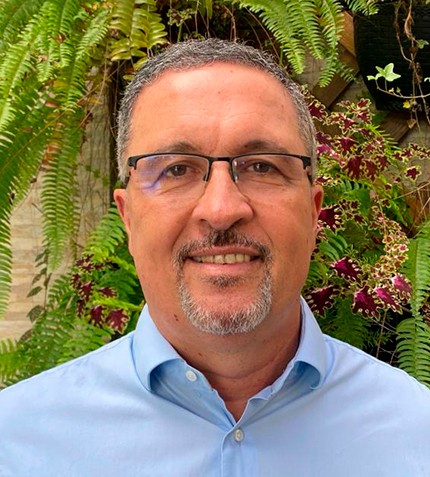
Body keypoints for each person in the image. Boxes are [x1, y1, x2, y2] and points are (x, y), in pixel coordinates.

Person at [0, 39, 429, 477]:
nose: (221, 209)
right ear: (128, 219)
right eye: (175, 169)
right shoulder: (16, 445)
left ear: (314, 213)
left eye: (262, 166)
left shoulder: (417, 435)